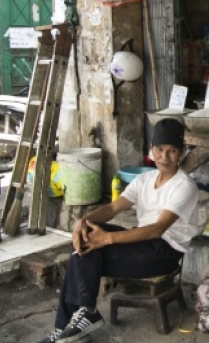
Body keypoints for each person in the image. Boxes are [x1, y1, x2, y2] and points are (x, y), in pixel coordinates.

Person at [37, 118, 200, 343]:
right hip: (142, 244)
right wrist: (82, 222)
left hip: (164, 252)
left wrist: (108, 239)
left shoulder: (184, 186)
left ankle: (74, 320)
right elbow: (113, 207)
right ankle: (78, 320)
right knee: (86, 240)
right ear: (151, 150)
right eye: (160, 150)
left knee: (88, 251)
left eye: (172, 151)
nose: (165, 157)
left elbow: (157, 229)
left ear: (180, 153)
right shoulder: (144, 180)